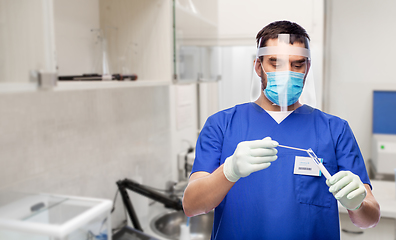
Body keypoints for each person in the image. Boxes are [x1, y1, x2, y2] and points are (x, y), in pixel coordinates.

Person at [182, 20, 380, 240]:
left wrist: (358, 204)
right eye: (276, 64)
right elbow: (192, 206)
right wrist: (229, 171)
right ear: (258, 66)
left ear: (307, 68)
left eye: (297, 65)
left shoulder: (335, 130)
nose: (288, 74)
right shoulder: (221, 125)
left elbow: (369, 218)